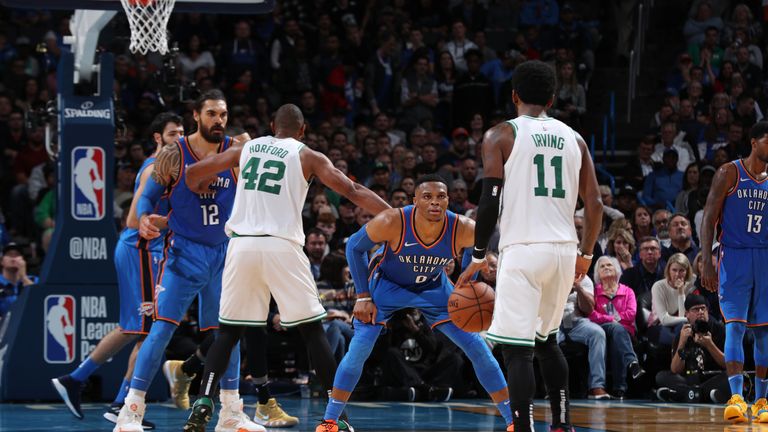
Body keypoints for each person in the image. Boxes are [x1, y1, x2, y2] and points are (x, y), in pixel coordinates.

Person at [181, 104, 390, 432]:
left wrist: (199, 187)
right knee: (312, 332)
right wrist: (396, 218)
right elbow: (352, 191)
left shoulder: (246, 147)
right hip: (281, 245)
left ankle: (203, 401)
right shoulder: (308, 155)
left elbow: (195, 173)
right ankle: (337, 418)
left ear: (270, 125)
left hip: (242, 245)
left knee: (229, 331)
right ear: (303, 130)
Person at [458, 60, 604, 432]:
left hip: (523, 248)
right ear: (553, 98)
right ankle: (563, 423)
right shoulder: (576, 139)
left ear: (514, 96)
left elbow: (489, 201)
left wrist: (477, 255)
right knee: (548, 340)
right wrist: (585, 255)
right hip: (563, 250)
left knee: (517, 349)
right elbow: (595, 204)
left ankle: (522, 427)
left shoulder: (500, 135)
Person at [315, 174, 514, 432]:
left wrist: (466, 285)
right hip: (387, 287)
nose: (434, 202)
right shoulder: (393, 221)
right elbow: (354, 246)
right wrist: (363, 296)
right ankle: (329, 422)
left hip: (433, 287)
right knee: (359, 351)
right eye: (427, 197)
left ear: (448, 200)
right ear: (415, 200)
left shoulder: (463, 227)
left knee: (477, 346)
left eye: (441, 196)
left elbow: (476, 247)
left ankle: (513, 421)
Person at [113, 90, 258, 432]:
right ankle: (130, 412)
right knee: (162, 330)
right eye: (211, 114)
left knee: (228, 333)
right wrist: (148, 217)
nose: (218, 120)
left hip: (224, 253)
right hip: (184, 253)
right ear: (196, 115)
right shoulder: (172, 155)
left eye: (223, 114)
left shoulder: (239, 151)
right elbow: (146, 200)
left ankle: (231, 413)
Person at [52, 112, 183, 428]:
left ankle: (83, 384)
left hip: (144, 251)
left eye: (182, 133)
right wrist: (172, 222)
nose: (179, 138)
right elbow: (134, 220)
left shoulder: (171, 166)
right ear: (157, 138)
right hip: (140, 248)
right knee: (148, 330)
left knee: (135, 329)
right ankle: (114, 399)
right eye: (171, 134)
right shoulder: (155, 167)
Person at [700, 121, 768, 423]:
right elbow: (709, 219)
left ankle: (763, 400)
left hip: (764, 257)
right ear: (754, 142)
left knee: (764, 331)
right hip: (734, 257)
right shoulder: (729, 172)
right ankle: (737, 397)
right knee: (735, 327)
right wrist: (705, 259)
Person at [588, 256, 645, 399]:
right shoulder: (594, 292)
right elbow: (591, 314)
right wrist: (611, 319)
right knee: (616, 329)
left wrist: (615, 320)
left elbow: (631, 314)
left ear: (616, 270)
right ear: (597, 274)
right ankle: (630, 368)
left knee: (617, 336)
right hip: (602, 328)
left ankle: (619, 389)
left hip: (625, 331)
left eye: (609, 265)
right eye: (602, 266)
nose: (606, 268)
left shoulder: (627, 291)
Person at [655, 294, 728, 404]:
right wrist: (682, 343)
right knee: (661, 376)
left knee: (732, 376)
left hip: (713, 376)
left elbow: (728, 364)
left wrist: (710, 345)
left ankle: (682, 394)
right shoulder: (684, 333)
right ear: (687, 314)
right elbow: (675, 369)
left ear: (707, 311)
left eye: (703, 308)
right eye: (695, 309)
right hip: (690, 379)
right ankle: (704, 395)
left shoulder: (719, 329)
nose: (700, 312)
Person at [0, 242, 36, 319]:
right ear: (1, 261)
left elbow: (39, 300)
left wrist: (24, 277)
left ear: (23, 260)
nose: (13, 259)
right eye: (9, 255)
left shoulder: (34, 280)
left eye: (17, 255)